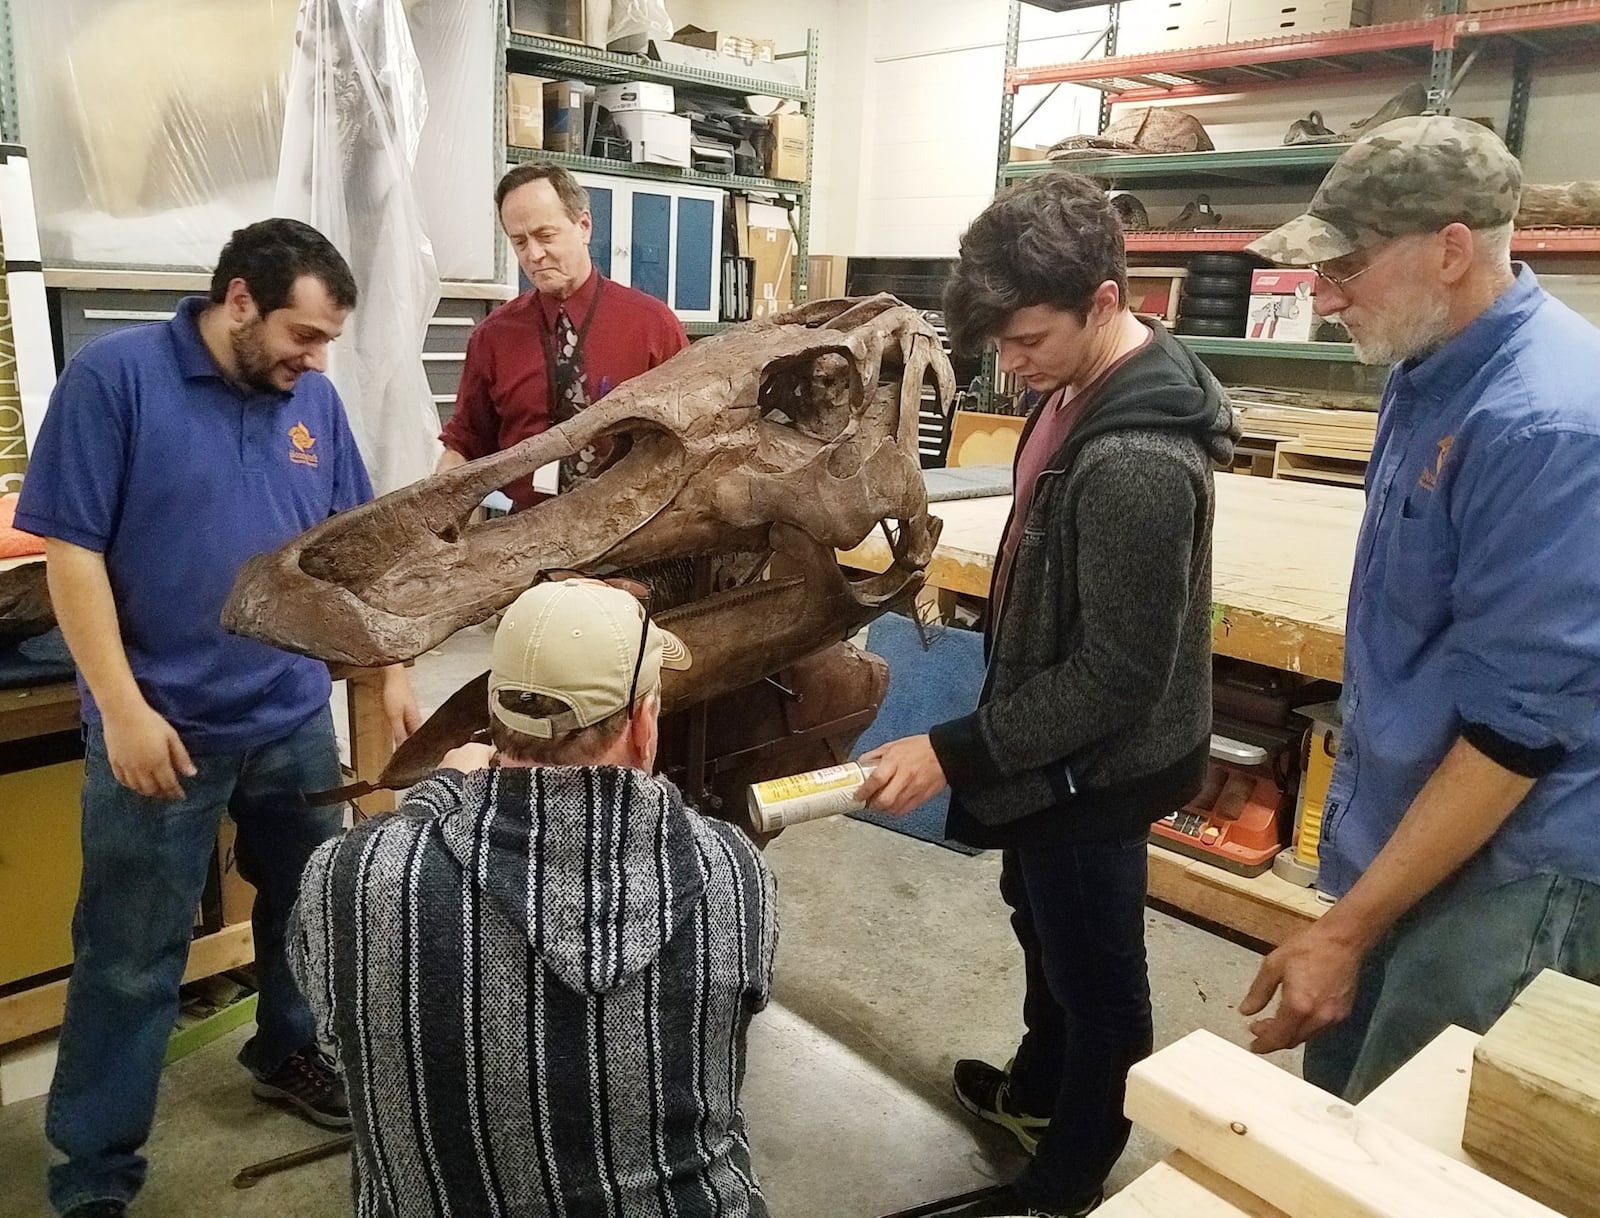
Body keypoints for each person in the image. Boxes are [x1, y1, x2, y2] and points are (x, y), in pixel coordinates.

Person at [15, 217, 420, 1218]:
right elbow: (71, 554)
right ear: (239, 299)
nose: (315, 359)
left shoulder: (312, 404)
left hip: (288, 717)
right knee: (129, 952)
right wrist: (121, 709)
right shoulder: (114, 381)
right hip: (163, 729)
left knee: (306, 912)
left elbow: (350, 552)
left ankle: (288, 1048)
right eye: (302, 334)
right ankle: (95, 1167)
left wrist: (389, 666)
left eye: (326, 341)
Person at [860, 174, 1237, 1218]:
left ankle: (1065, 1178)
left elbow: (1119, 677)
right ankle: (1037, 1089)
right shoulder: (1073, 390)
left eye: (1027, 340)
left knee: (1097, 972)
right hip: (1050, 744)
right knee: (1039, 917)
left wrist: (956, 749)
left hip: (1097, 762)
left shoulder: (1136, 464)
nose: (1012, 365)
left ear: (1104, 304)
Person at [1238, 116, 1600, 1101]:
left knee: (1407, 1142)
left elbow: (1517, 734)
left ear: (1449, 250)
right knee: (1337, 1105)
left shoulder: (1545, 422)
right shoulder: (1422, 367)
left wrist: (1345, 930)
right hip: (1407, 829)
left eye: (1346, 266)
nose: (1324, 294)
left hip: (1505, 870)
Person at [289, 577, 778, 1218]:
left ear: (494, 719)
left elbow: (333, 1041)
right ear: (643, 723)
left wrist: (439, 793)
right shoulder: (732, 871)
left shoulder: (348, 881)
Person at [437, 163, 689, 509]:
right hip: (525, 536)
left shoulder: (653, 326)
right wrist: (434, 510)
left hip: (631, 535)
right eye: (520, 241)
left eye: (545, 236)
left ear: (583, 225)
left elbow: (692, 435)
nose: (533, 255)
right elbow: (466, 442)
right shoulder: (492, 338)